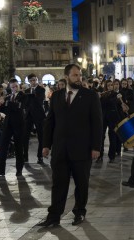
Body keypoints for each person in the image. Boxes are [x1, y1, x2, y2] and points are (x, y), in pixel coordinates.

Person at [38, 64, 103, 227]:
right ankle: (54, 216)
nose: (78, 78)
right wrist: (46, 145)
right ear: (67, 77)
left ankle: (79, 212)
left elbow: (97, 123)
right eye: (75, 75)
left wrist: (96, 147)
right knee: (58, 183)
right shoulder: (57, 96)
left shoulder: (90, 96)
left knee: (82, 183)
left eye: (79, 75)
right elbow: (50, 122)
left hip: (82, 149)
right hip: (60, 149)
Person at [0, 79, 27, 177]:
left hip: (19, 125)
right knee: (3, 147)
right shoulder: (7, 97)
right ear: (10, 87)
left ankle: (19, 170)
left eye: (16, 86)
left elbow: (19, 106)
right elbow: (4, 110)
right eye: (12, 87)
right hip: (7, 125)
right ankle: (1, 170)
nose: (14, 89)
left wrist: (6, 102)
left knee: (19, 147)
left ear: (18, 86)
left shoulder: (23, 96)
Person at [24, 73, 46, 165]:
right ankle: (25, 156)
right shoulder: (27, 90)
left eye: (34, 80)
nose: (33, 82)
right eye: (31, 80)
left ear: (36, 80)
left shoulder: (41, 89)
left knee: (41, 136)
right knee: (25, 136)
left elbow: (40, 100)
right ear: (28, 81)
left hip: (38, 114)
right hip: (28, 115)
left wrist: (33, 95)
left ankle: (40, 156)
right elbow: (25, 103)